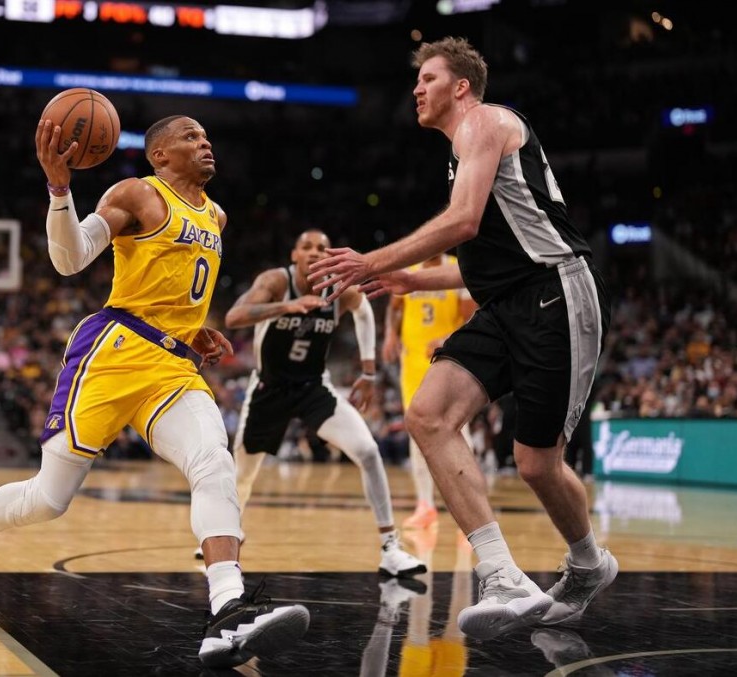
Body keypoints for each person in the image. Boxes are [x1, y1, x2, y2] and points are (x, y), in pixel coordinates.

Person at [0, 115, 309, 669]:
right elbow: (70, 259)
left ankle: (227, 610)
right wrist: (59, 189)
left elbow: (175, 286)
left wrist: (194, 330)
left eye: (207, 136)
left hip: (172, 367)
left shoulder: (216, 215)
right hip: (112, 355)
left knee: (214, 460)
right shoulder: (137, 194)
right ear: (159, 155)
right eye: (191, 137)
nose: (205, 142)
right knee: (48, 500)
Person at [309, 36, 616, 640]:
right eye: (416, 80)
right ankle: (501, 573)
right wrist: (412, 279)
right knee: (427, 415)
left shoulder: (485, 122)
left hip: (558, 292)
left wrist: (373, 261)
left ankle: (588, 564)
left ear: (462, 86)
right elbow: (484, 262)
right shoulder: (463, 150)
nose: (417, 89)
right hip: (508, 301)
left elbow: (463, 222)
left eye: (428, 78)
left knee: (537, 464)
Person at [219, 229, 426, 578]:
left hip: (313, 387)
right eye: (307, 247)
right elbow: (233, 318)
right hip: (269, 388)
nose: (314, 252)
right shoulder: (276, 282)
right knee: (243, 474)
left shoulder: (339, 290)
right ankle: (225, 536)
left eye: (322, 248)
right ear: (295, 255)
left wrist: (369, 371)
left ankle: (390, 548)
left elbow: (363, 311)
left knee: (368, 451)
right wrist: (286, 306)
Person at [381, 254, 473, 530]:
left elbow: (472, 317)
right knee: (416, 429)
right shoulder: (408, 269)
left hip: (449, 359)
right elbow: (394, 307)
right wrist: (391, 334)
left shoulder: (458, 268)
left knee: (458, 429)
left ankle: (470, 505)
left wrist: (448, 339)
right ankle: (425, 505)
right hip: (412, 362)